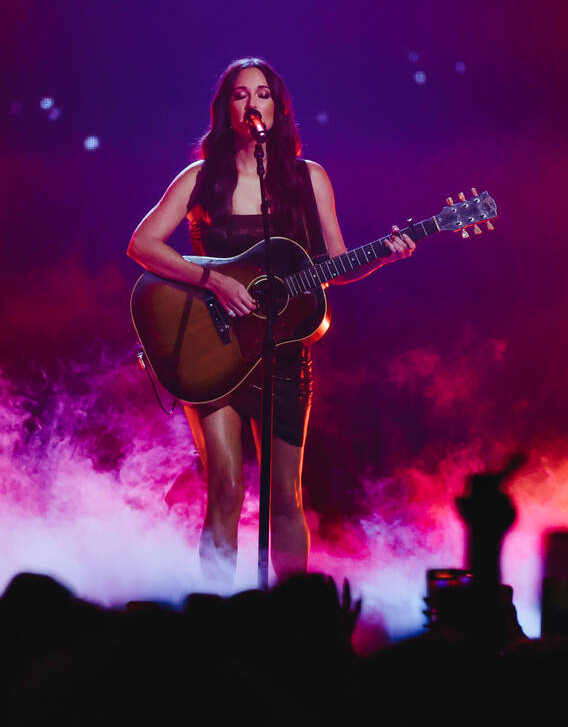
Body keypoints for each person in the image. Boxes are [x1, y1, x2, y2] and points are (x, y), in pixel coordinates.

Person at [127, 58, 414, 583]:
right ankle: (214, 616)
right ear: (225, 110)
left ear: (278, 109)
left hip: (282, 354)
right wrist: (213, 280)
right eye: (240, 95)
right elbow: (141, 246)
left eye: (262, 94)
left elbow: (333, 265)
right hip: (211, 350)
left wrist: (382, 256)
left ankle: (292, 621)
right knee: (227, 490)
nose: (252, 103)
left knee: (286, 498)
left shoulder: (309, 179)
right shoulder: (200, 179)